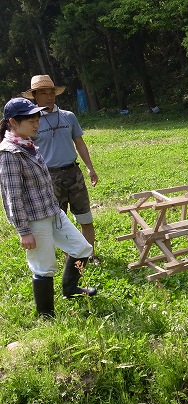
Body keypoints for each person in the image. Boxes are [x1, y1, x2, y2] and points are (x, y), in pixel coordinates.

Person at [0, 98, 97, 317]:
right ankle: (46, 313)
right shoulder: (9, 153)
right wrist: (24, 231)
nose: (36, 123)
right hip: (35, 220)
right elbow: (12, 196)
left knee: (82, 248)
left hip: (53, 211)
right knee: (43, 266)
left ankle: (70, 289)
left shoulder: (28, 144)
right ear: (13, 122)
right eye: (30, 120)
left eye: (37, 118)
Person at [21, 74, 101, 264]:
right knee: (58, 222)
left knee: (85, 217)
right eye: (43, 93)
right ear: (35, 96)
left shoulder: (68, 116)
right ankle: (71, 259)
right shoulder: (32, 122)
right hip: (49, 177)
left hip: (74, 173)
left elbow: (79, 142)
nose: (49, 97)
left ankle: (89, 255)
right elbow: (26, 153)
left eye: (51, 93)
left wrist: (90, 168)